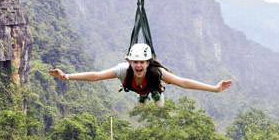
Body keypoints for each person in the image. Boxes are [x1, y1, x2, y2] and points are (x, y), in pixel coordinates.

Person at [48, 43, 232, 105]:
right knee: (142, 98)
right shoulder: (123, 70)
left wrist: (215, 89)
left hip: (151, 86)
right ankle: (144, 96)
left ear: (148, 62)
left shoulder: (156, 72)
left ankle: (153, 94)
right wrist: (66, 76)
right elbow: (96, 76)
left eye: (142, 62)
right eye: (135, 62)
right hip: (136, 88)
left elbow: (183, 82)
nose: (138, 65)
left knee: (158, 103)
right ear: (129, 62)